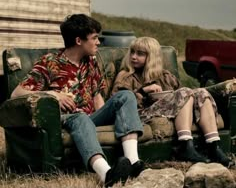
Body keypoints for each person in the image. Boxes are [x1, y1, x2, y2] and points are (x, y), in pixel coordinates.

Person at [11, 14, 144, 187]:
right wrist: (54, 95)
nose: (98, 42)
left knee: (126, 95)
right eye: (94, 38)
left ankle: (134, 163)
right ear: (79, 40)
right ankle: (106, 174)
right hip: (65, 120)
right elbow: (16, 93)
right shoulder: (50, 62)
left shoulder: (91, 61)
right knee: (79, 117)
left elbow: (97, 95)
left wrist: (105, 118)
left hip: (90, 119)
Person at [112, 36, 234, 168]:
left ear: (152, 57)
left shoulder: (165, 76)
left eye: (140, 54)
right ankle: (185, 145)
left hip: (166, 110)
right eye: (132, 52)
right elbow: (119, 101)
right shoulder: (125, 75)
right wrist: (143, 91)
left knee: (201, 93)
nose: (134, 57)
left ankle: (213, 146)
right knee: (185, 92)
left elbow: (184, 94)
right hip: (141, 114)